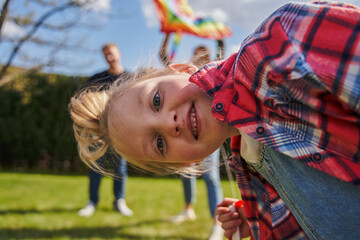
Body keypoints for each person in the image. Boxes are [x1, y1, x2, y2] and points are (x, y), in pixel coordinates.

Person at [69, 2, 360, 240]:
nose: (170, 124)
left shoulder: (278, 45)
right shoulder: (248, 160)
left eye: (156, 101)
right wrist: (266, 216)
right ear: (186, 164)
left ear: (182, 68)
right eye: (159, 143)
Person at [158, 33, 224, 240]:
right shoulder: (186, 77)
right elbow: (164, 58)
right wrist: (169, 35)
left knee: (210, 176)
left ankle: (217, 223)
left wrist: (218, 35)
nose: (200, 57)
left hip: (209, 135)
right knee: (186, 172)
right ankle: (188, 209)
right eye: (197, 53)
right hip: (187, 135)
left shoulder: (217, 71)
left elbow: (223, 47)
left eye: (204, 54)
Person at [77, 43, 133, 217]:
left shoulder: (130, 78)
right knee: (95, 165)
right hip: (98, 130)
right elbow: (82, 99)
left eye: (112, 53)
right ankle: (92, 201)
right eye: (106, 54)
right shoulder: (97, 78)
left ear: (119, 53)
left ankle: (119, 201)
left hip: (120, 130)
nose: (109, 56)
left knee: (119, 167)